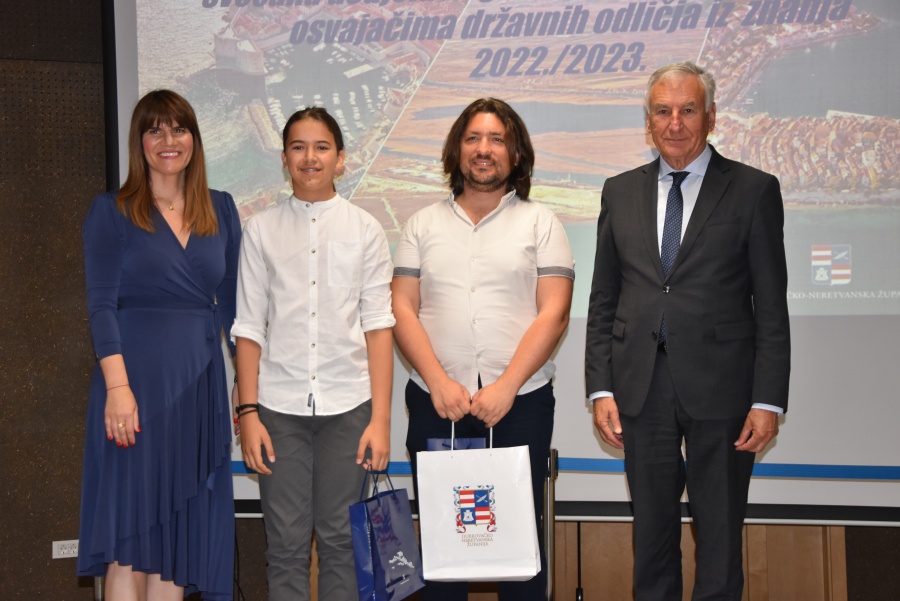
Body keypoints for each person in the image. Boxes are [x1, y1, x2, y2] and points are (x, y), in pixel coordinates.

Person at [585, 61, 791, 600]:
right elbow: (604, 298)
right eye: (663, 111)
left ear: (711, 117)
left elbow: (771, 307)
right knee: (652, 537)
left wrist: (767, 400)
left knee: (719, 540)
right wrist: (600, 388)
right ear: (648, 121)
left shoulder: (753, 190)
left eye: (688, 110)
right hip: (639, 389)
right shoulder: (618, 192)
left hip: (724, 392)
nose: (675, 123)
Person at [392, 97, 574, 600]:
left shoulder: (542, 223)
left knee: (517, 545)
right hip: (435, 401)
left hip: (520, 403)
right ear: (457, 151)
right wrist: (437, 381)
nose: (484, 149)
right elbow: (401, 307)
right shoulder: (421, 224)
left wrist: (507, 386)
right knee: (444, 543)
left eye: (497, 139)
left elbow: (554, 312)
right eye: (473, 138)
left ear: (516, 154)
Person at [77, 89, 241, 600]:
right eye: (155, 130)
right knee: (130, 539)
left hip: (198, 390)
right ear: (140, 142)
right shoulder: (111, 211)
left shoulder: (221, 208)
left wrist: (243, 384)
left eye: (179, 129)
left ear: (194, 139)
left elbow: (232, 309)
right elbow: (101, 306)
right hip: (134, 391)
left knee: (178, 541)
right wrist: (117, 389)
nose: (168, 140)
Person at [231, 107, 395, 601]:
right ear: (284, 159)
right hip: (277, 411)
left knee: (342, 543)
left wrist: (381, 420)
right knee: (284, 548)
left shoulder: (366, 229)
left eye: (322, 147)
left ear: (340, 159)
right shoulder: (260, 230)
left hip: (350, 408)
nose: (310, 157)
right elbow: (248, 327)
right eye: (298, 147)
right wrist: (248, 414)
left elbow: (378, 327)